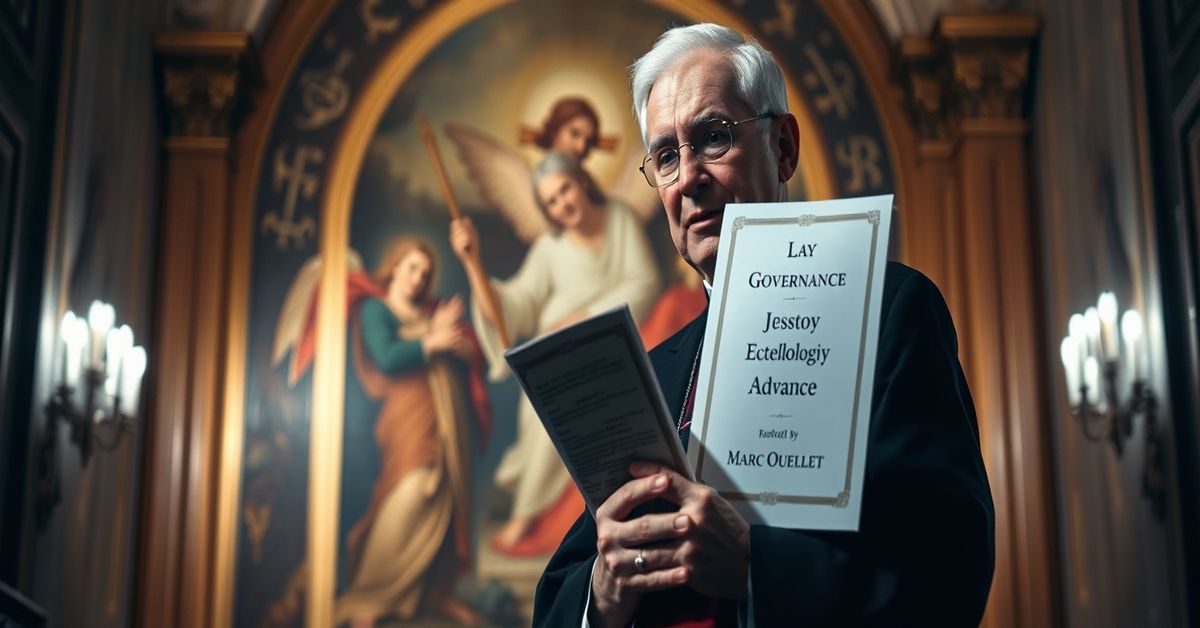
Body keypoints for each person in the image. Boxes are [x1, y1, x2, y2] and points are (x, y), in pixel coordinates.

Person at [533, 23, 995, 627]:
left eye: (714, 138)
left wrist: (754, 567)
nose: (689, 178)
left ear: (783, 147)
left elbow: (948, 574)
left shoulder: (889, 310)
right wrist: (604, 590)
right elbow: (558, 599)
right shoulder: (657, 369)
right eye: (667, 156)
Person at [450, 151, 661, 554]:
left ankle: (536, 515)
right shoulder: (549, 248)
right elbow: (514, 305)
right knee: (541, 409)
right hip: (564, 352)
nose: (562, 204)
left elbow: (645, 284)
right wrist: (473, 263)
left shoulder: (620, 220)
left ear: (581, 182)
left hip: (613, 343)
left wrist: (588, 314)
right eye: (551, 201)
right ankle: (526, 515)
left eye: (564, 189)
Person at [333, 238, 491, 627]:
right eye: (411, 268)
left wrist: (456, 345)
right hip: (406, 422)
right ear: (394, 267)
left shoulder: (433, 312)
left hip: (446, 426)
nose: (418, 279)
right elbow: (386, 358)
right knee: (409, 494)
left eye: (424, 273)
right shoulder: (377, 310)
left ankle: (436, 594)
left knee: (446, 500)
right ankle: (370, 595)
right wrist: (431, 339)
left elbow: (472, 351)